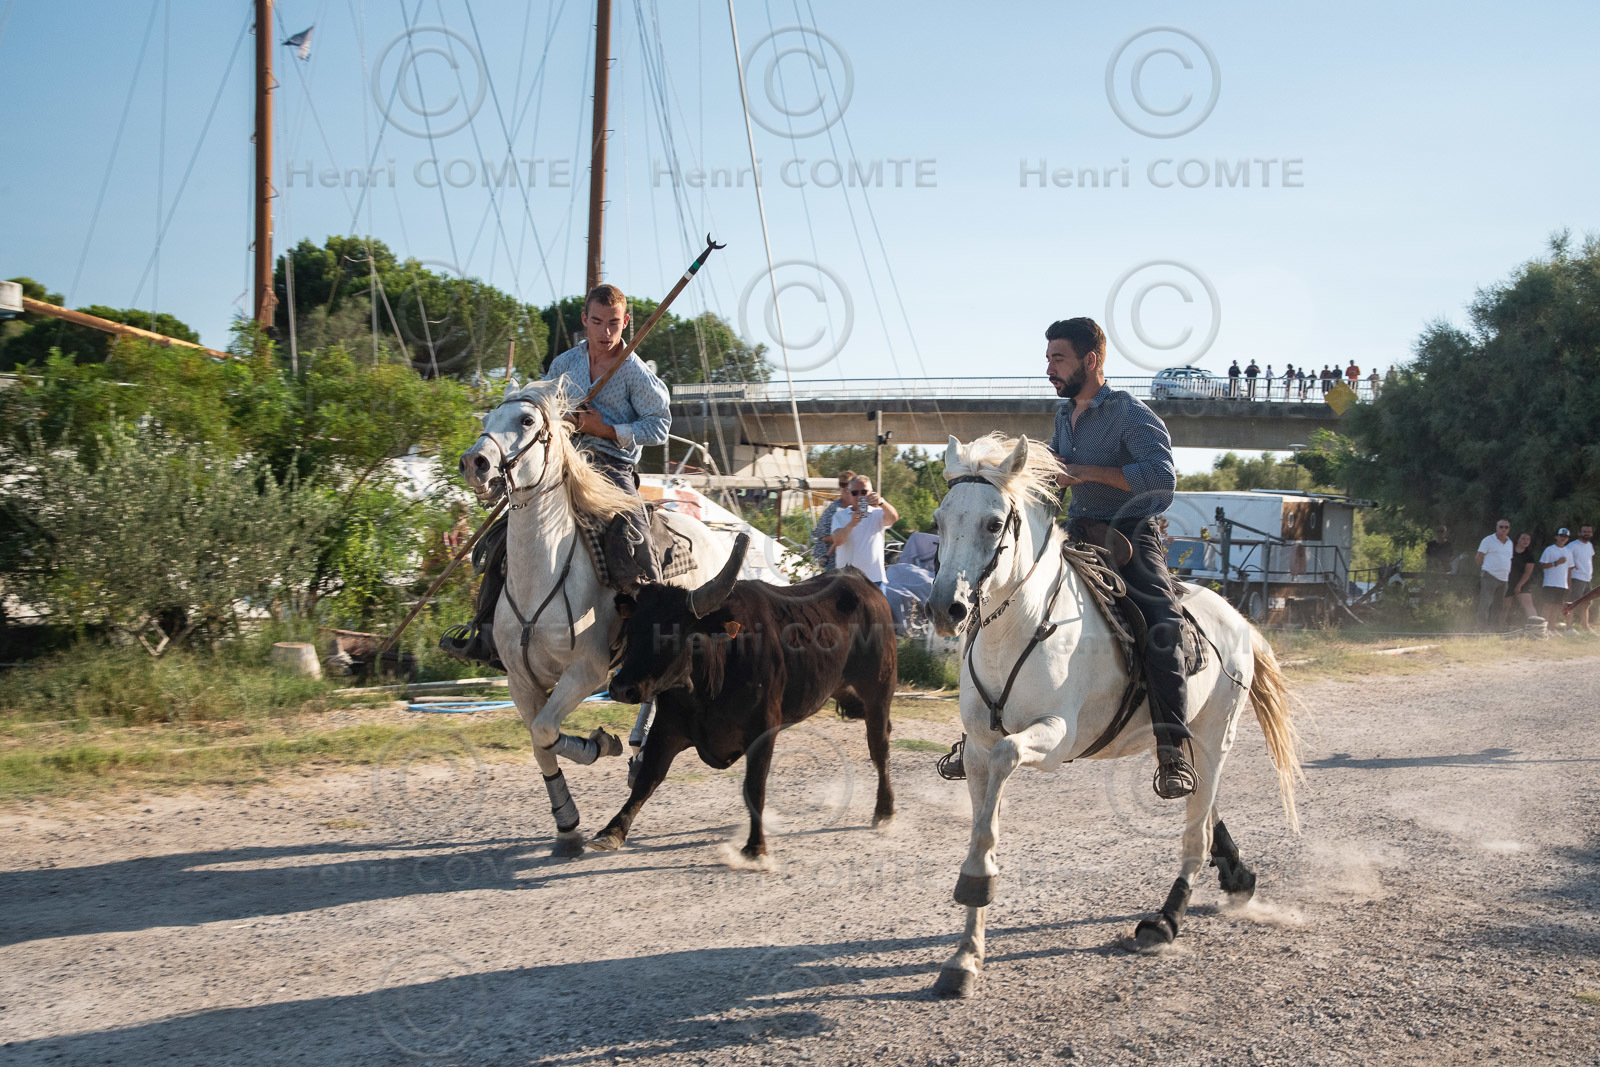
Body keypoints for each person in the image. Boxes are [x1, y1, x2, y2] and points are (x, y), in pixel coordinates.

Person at [439, 283, 672, 667]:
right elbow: (544, 414)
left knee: (633, 532)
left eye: (614, 323)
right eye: (597, 322)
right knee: (504, 532)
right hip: (561, 460)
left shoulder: (634, 372)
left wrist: (607, 429)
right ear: (585, 320)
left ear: (626, 322)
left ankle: (652, 627)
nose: (605, 332)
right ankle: (486, 631)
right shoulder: (564, 365)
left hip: (611, 463)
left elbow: (659, 426)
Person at [1044, 316, 1194, 799]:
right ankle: (984, 726)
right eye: (1048, 358)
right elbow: (1054, 475)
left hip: (1129, 534)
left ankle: (1173, 751)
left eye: (1057, 358)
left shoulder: (1129, 412)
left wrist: (1083, 471)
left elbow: (1160, 479)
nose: (1049, 367)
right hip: (1075, 535)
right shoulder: (1062, 418)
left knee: (1161, 623)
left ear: (1091, 360)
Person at [826, 475, 898, 596]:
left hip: (874, 579)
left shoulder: (878, 514)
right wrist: (851, 524)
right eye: (855, 493)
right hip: (846, 580)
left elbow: (893, 518)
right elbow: (837, 541)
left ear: (871, 493)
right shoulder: (840, 516)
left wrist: (882, 502)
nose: (860, 496)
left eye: (864, 492)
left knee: (879, 615)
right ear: (849, 494)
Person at [810, 470, 857, 571]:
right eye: (842, 484)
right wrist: (847, 534)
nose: (845, 488)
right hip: (831, 560)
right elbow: (824, 536)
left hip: (850, 558)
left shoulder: (858, 508)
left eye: (848, 485)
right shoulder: (834, 509)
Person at [1475, 519, 1514, 631]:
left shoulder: (1510, 543)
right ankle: (1481, 628)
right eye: (1501, 527)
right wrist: (1485, 569)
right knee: (1485, 603)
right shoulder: (1488, 540)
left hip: (1504, 578)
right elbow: (1479, 556)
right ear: (1496, 527)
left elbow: (1508, 559)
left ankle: (1494, 629)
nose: (1503, 529)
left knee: (1498, 605)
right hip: (1490, 575)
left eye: (1506, 527)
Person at [1539, 529, 1574, 631]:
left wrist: (1569, 585)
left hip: (1562, 584)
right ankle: (1543, 629)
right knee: (1547, 606)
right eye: (1561, 535)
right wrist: (1556, 563)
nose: (1563, 538)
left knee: (1556, 607)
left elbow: (1569, 569)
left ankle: (1551, 629)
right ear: (1556, 537)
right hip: (1550, 583)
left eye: (1565, 537)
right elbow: (1543, 565)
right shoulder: (1549, 550)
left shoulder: (1568, 551)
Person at [1568, 524, 1595, 634]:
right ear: (1579, 533)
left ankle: (1585, 628)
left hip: (1587, 578)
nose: (1587, 533)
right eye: (1584, 531)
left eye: (1589, 531)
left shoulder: (1590, 545)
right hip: (1576, 577)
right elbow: (1565, 558)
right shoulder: (1572, 545)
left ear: (1592, 533)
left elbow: (1589, 559)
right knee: (1572, 603)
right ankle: (1568, 628)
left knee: (1586, 604)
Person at [1505, 532, 1538, 621]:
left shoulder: (1529, 556)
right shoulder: (1509, 551)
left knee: (1529, 606)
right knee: (1505, 606)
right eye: (1523, 538)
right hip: (1507, 581)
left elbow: (1527, 573)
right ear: (1517, 539)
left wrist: (1519, 586)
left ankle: (1536, 627)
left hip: (1523, 582)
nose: (1526, 541)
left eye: (1528, 539)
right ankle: (1499, 628)